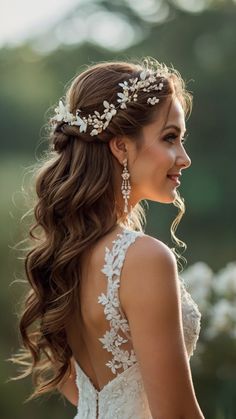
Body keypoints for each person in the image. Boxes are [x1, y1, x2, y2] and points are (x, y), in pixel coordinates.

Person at [10, 57, 205, 418]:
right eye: (170, 138)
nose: (184, 158)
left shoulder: (67, 253)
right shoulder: (144, 258)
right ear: (120, 147)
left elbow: (77, 388)